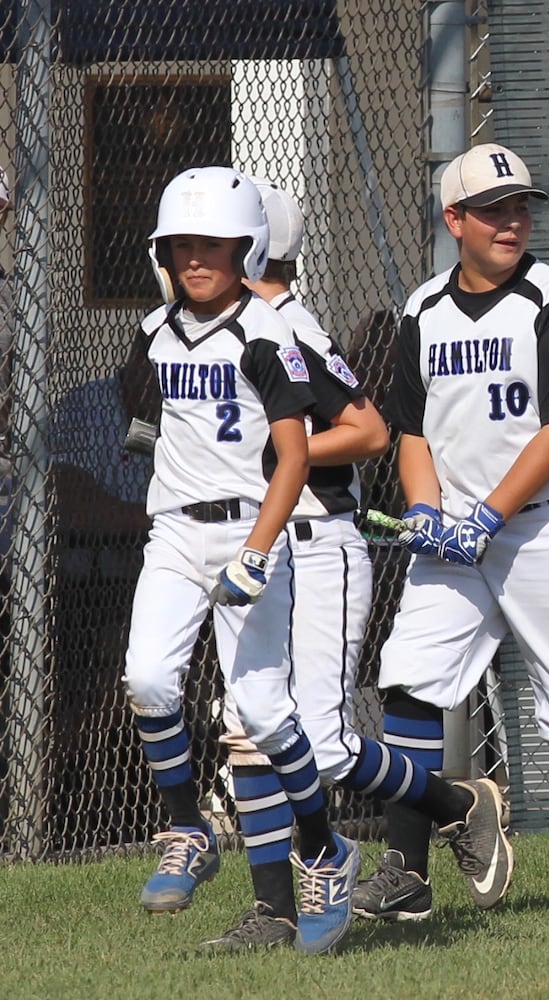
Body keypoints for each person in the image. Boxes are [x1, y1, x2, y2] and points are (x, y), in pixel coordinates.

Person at [122, 167, 507, 954]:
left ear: (252, 244)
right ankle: (273, 908)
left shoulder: (283, 325)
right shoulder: (173, 327)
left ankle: (449, 804)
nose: (197, 256)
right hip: (231, 535)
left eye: (218, 241)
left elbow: (365, 432)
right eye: (183, 243)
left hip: (310, 538)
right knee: (243, 731)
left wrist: (265, 451)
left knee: (316, 740)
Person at [349, 143, 549, 925]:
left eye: (520, 206)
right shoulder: (423, 308)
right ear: (454, 220)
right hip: (459, 537)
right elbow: (410, 429)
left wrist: (488, 515)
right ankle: (406, 870)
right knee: (409, 677)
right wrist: (427, 508)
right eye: (493, 209)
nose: (512, 221)